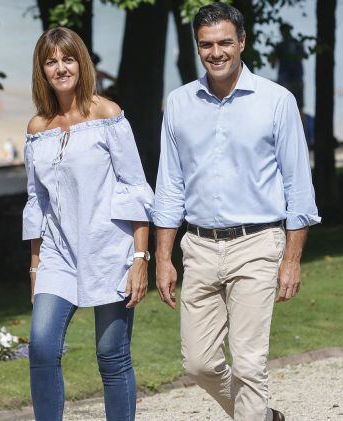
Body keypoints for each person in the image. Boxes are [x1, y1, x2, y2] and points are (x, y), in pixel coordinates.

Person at [153, 4, 320, 421]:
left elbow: (298, 186)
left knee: (248, 364)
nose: (216, 52)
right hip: (199, 246)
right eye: (206, 44)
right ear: (197, 47)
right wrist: (162, 258)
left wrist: (291, 259)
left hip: (259, 244)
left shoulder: (276, 101)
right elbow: (169, 185)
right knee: (199, 363)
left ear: (242, 42)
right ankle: (261, 415)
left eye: (225, 42)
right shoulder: (178, 103)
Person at [24, 27, 153, 421]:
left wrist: (140, 257)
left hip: (110, 251)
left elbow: (135, 187)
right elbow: (37, 201)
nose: (60, 68)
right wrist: (35, 265)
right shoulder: (37, 128)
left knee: (111, 355)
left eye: (67, 58)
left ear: (81, 62)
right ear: (42, 70)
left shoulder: (107, 115)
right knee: (42, 348)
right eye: (51, 61)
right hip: (57, 256)